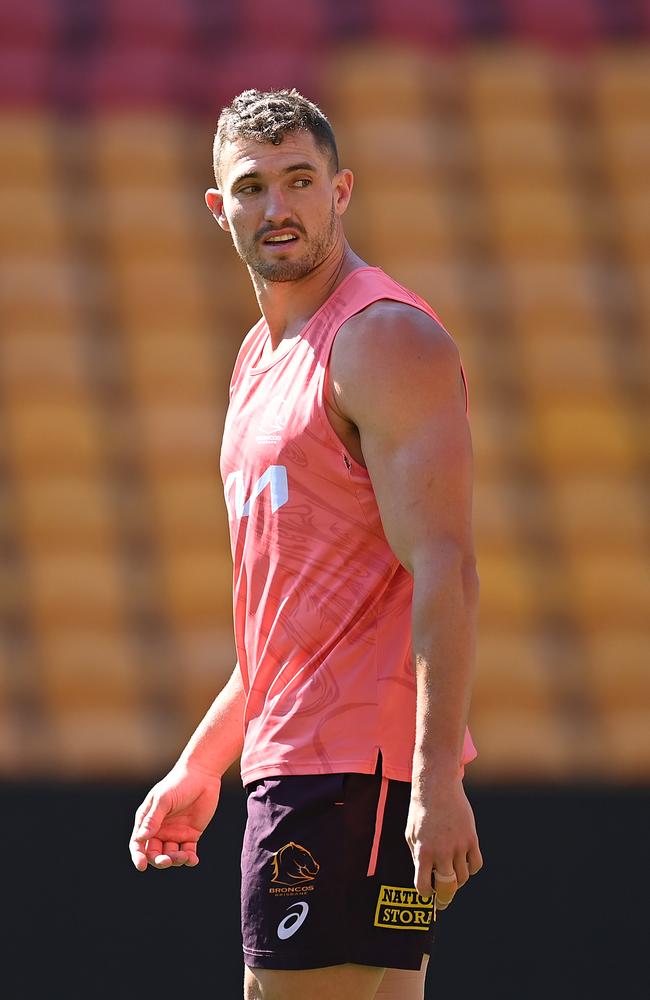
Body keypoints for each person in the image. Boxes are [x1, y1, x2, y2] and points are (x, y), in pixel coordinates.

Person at [129, 88, 483, 1000]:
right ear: (220, 208)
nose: (277, 207)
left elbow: (445, 561)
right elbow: (294, 618)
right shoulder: (260, 357)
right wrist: (204, 765)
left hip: (348, 785)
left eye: (300, 180)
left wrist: (435, 779)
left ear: (342, 191)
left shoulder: (383, 338)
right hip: (310, 772)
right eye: (253, 187)